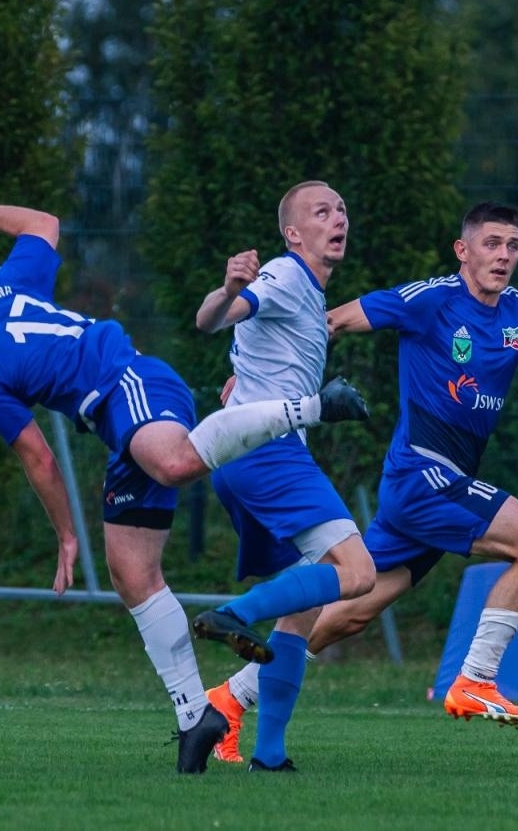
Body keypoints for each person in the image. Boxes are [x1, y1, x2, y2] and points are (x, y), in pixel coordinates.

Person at [0, 193, 369, 775]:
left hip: (130, 385)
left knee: (175, 464)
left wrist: (65, 534)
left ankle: (308, 407)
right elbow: (43, 221)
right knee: (132, 576)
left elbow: (37, 457)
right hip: (118, 416)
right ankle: (196, 716)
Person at [205, 201, 518, 761]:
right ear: (463, 250)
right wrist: (255, 383)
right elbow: (327, 322)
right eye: (492, 243)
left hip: (441, 484)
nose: (503, 256)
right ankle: (475, 678)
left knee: (344, 616)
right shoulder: (430, 299)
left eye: (513, 246)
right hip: (422, 475)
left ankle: (227, 702)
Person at [185, 180, 377, 773]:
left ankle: (266, 752)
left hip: (246, 458)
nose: (337, 217)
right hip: (269, 455)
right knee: (358, 573)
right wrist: (227, 291)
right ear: (294, 233)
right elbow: (212, 319)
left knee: (302, 607)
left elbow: (247, 344)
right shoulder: (287, 275)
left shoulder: (308, 296)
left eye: (342, 208)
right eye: (322, 211)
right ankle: (237, 614)